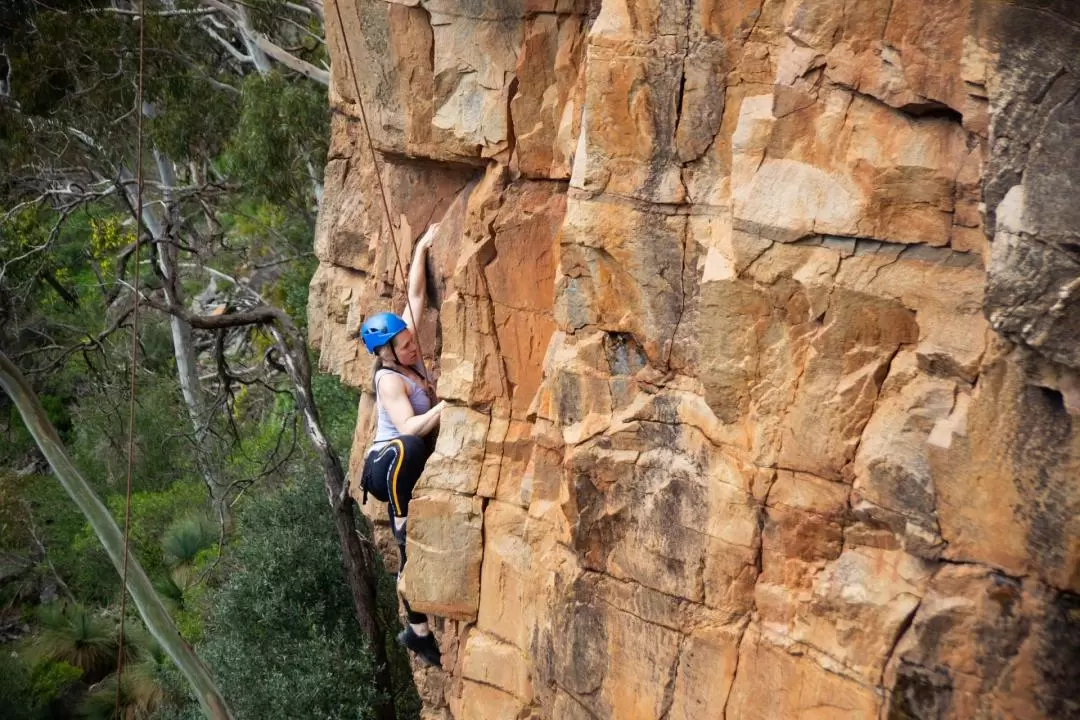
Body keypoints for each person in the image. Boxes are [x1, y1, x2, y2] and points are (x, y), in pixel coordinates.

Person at [358, 223, 445, 668]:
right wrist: (448, 405)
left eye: (411, 340)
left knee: (413, 555)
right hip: (385, 466)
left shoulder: (401, 340)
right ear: (387, 352)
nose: (413, 346)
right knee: (410, 447)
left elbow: (415, 295)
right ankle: (400, 519)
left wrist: (423, 247)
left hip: (403, 467)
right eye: (405, 344)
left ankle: (418, 630)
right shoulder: (389, 378)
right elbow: (410, 427)